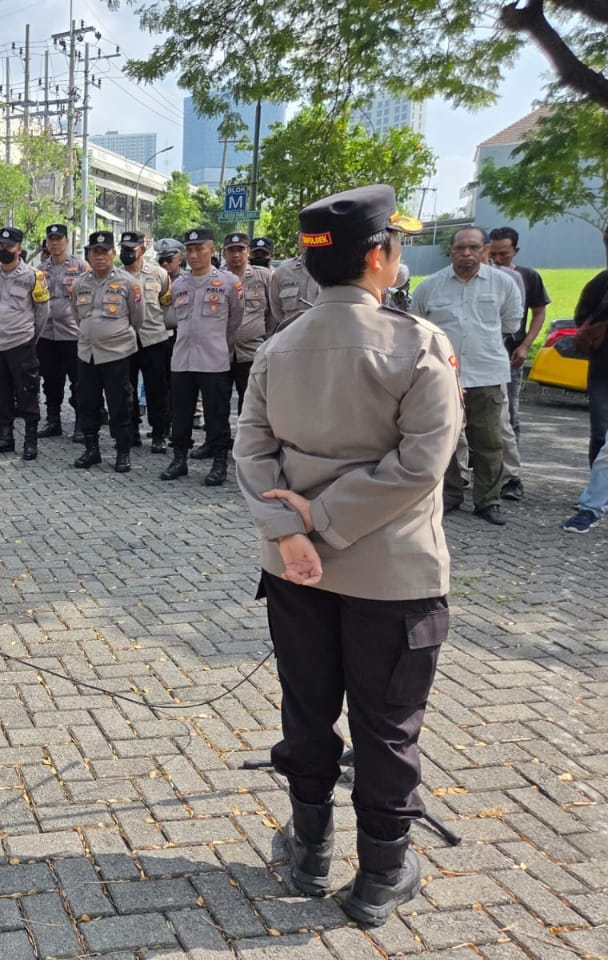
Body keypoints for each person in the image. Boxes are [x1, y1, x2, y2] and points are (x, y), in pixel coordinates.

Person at [233, 184, 459, 928]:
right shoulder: (418, 344)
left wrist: (295, 532)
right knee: (386, 727)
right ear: (381, 256)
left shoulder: (278, 346)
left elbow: (252, 452)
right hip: (391, 577)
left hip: (296, 571)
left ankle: (307, 850)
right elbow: (424, 464)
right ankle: (380, 876)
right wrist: (327, 520)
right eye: (397, 243)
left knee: (307, 711)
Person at [411, 226, 523, 525]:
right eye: (460, 248)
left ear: (485, 249)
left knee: (488, 441)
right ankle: (449, 495)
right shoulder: (430, 286)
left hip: (486, 375)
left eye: (474, 247)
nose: (466, 253)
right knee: (443, 441)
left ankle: (488, 500)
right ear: (450, 250)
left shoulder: (503, 285)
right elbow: (418, 327)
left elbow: (511, 323)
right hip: (442, 377)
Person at [160, 228, 244, 486]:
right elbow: (174, 316)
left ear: (212, 249)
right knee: (181, 413)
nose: (194, 254)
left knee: (216, 414)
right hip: (183, 358)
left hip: (214, 359)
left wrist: (220, 344)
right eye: (189, 250)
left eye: (199, 249)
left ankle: (219, 463)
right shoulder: (180, 284)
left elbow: (235, 320)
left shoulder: (229, 283)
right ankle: (179, 459)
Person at [70, 230, 144, 473]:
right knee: (88, 401)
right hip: (87, 353)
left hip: (116, 353)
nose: (99, 257)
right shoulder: (80, 283)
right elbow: (76, 314)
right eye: (95, 252)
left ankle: (122, 451)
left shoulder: (128, 283)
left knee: (120, 403)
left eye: (104, 252)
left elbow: (138, 318)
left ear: (113, 254)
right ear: (89, 255)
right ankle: (92, 449)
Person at [488, 227, 550, 501]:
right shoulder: (479, 276)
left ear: (515, 250)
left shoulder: (527, 277)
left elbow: (539, 313)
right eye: (493, 253)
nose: (498, 258)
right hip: (481, 355)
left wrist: (526, 345)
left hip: (512, 353)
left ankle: (511, 477)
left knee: (509, 414)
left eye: (504, 253)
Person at [0, 226, 49, 460]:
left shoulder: (33, 276)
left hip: (21, 343)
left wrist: (30, 338)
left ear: (19, 248)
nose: (3, 250)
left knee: (27, 392)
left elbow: (42, 313)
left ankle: (31, 440)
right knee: (0, 392)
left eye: (8, 246)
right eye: (0, 245)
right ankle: (5, 437)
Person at [120, 230, 172, 454]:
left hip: (153, 339)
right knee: (125, 389)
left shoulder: (159, 275)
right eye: (123, 248)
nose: (126, 252)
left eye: (131, 248)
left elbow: (167, 305)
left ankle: (159, 433)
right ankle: (130, 431)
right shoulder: (116, 276)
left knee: (157, 389)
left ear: (143, 248)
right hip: (125, 340)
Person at [36, 224, 88, 441]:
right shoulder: (40, 270)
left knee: (78, 381)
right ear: (47, 242)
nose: (55, 243)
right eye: (51, 239)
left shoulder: (81, 267)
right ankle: (53, 420)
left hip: (72, 334)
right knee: (50, 380)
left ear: (67, 241)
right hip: (47, 333)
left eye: (59, 239)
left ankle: (81, 423)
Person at [223, 232, 273, 418]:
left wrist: (266, 341)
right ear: (224, 253)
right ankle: (218, 442)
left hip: (253, 351)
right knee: (219, 400)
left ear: (248, 252)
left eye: (240, 250)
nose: (236, 254)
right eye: (231, 250)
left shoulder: (264, 277)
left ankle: (247, 443)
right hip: (222, 351)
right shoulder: (216, 279)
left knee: (251, 401)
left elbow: (273, 314)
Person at [573, 232, 608, 465]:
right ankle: (597, 494)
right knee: (600, 433)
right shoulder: (602, 282)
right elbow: (581, 318)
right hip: (602, 369)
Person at [267, 236, 321, 335]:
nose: (307, 241)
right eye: (303, 238)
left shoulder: (336, 271)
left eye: (312, 236)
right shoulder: (283, 271)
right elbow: (276, 308)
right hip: (291, 337)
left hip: (324, 336)